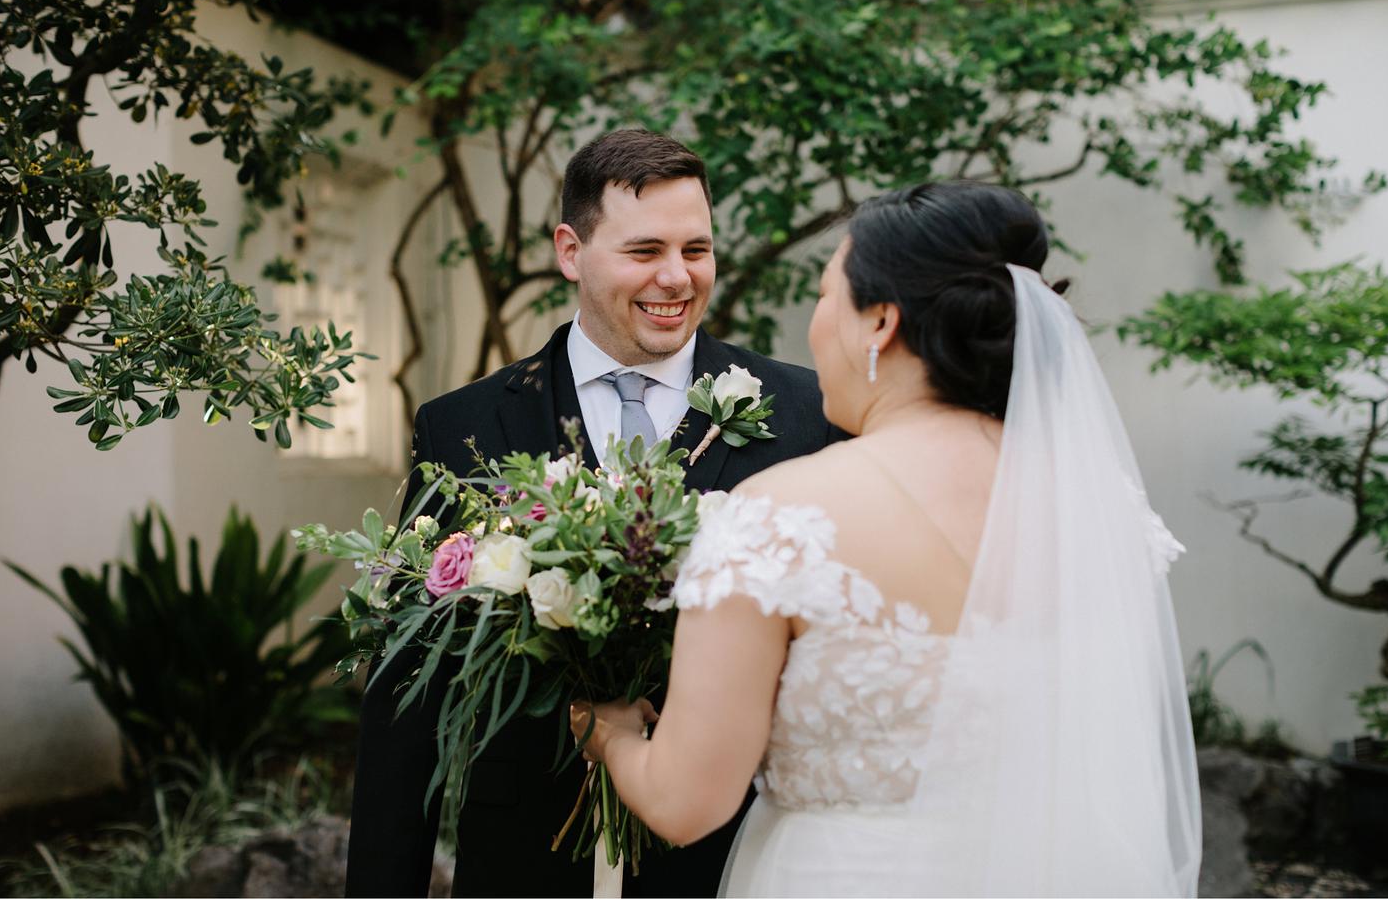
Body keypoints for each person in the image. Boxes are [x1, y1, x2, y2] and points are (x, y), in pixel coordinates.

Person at [572, 182, 1203, 897]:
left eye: (822, 296)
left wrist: (610, 735)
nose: (814, 326)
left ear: (878, 323)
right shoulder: (1099, 510)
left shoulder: (781, 513)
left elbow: (686, 802)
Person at [345, 129, 837, 898]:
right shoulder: (464, 426)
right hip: (524, 858)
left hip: (727, 858)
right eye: (645, 252)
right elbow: (409, 692)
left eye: (697, 250)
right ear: (571, 251)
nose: (677, 277)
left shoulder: (804, 414)